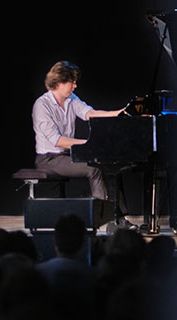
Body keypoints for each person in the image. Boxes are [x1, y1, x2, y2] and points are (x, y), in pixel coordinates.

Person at [32, 61, 136, 229]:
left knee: (111, 164)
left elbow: (90, 113)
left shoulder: (71, 99)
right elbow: (57, 140)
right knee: (94, 168)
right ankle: (105, 219)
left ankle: (119, 217)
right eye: (71, 82)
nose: (75, 85)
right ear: (58, 82)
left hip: (68, 155)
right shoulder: (42, 105)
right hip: (49, 158)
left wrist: (117, 113)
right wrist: (89, 143)